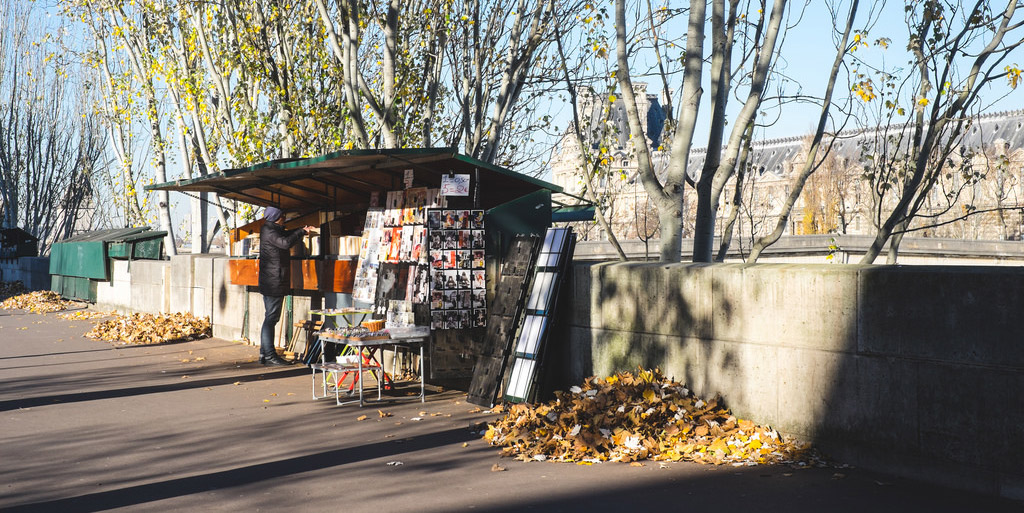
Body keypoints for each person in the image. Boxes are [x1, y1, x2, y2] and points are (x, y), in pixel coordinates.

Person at [258, 206, 315, 365]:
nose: (284, 218)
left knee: (269, 317)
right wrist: (300, 233)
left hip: (271, 280)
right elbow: (284, 243)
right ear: (277, 217)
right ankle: (269, 355)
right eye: (283, 216)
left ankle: (264, 353)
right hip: (274, 281)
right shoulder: (270, 231)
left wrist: (300, 229)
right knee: (271, 318)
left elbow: (284, 235)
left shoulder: (270, 228)